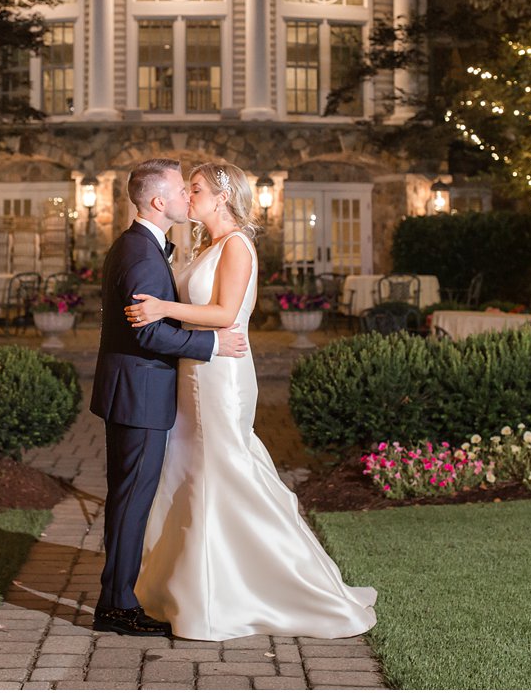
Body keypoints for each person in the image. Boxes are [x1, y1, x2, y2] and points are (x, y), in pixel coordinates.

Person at [125, 162, 377, 641]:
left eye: (195, 189)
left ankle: (279, 582)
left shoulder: (238, 245)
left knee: (227, 467)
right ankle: (193, 583)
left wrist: (161, 309)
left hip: (221, 374)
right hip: (194, 371)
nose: (187, 196)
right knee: (192, 471)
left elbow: (223, 313)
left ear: (221, 197)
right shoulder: (208, 245)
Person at [90, 158, 249, 638]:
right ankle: (116, 605)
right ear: (160, 202)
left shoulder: (144, 245)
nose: (187, 197)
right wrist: (211, 343)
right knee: (130, 500)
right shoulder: (140, 253)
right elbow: (147, 335)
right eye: (182, 190)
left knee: (132, 497)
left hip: (136, 391)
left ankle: (119, 595)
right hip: (138, 393)